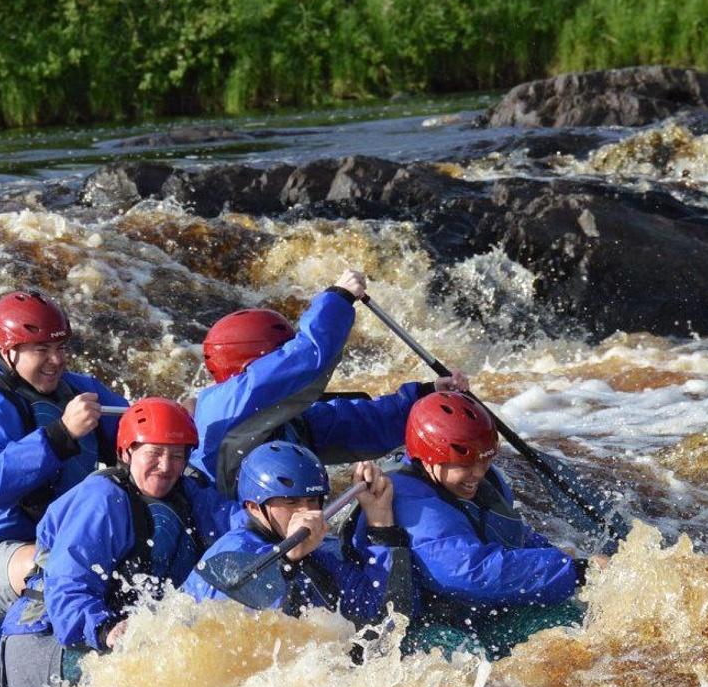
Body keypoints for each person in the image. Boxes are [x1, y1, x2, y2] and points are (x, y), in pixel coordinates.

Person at [0, 398, 235, 687]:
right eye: (154, 453)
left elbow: (237, 526)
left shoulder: (188, 492)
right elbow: (67, 585)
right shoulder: (102, 500)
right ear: (126, 453)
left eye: (177, 455)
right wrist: (106, 628)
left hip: (112, 642)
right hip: (48, 644)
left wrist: (279, 521)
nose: (166, 466)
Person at [0, 291, 130, 621]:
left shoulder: (79, 390)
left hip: (65, 541)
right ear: (9, 353)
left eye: (60, 348)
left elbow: (137, 430)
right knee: (55, 565)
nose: (57, 360)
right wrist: (62, 434)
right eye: (42, 350)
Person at [191, 268, 468, 498]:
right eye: (280, 355)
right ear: (254, 365)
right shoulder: (225, 408)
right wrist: (338, 299)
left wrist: (425, 400)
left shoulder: (280, 422)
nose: (284, 362)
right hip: (231, 542)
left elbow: (355, 423)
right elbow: (308, 361)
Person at [388, 392, 594, 659]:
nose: (479, 473)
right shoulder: (412, 503)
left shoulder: (473, 482)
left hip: (475, 615)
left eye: (485, 461)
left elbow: (512, 535)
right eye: (466, 465)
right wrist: (571, 572)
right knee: (470, 662)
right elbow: (467, 572)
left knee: (574, 620)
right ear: (428, 459)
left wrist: (567, 559)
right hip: (422, 631)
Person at [184, 442, 414, 633]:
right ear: (254, 508)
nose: (307, 512)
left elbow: (384, 614)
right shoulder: (230, 552)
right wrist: (287, 563)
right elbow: (245, 626)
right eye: (291, 502)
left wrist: (380, 522)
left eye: (313, 501)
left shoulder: (319, 555)